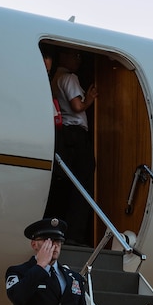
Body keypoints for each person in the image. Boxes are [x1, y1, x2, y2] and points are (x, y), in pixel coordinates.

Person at [48, 48, 97, 246]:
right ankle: (75, 235)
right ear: (64, 56)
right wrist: (90, 99)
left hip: (63, 136)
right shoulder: (69, 78)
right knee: (82, 183)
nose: (78, 59)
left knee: (66, 184)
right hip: (76, 134)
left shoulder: (56, 78)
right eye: (75, 55)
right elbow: (77, 106)